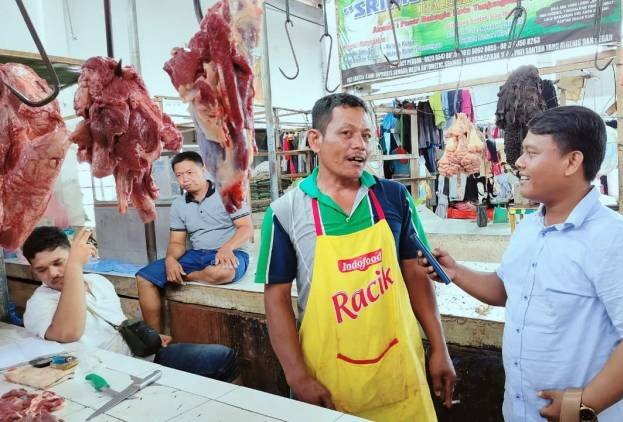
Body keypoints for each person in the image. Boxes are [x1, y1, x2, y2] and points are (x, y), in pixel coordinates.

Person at [419, 106, 623, 422]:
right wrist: (456, 272)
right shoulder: (529, 228)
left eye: (531, 153)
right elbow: (507, 290)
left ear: (572, 161)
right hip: (521, 412)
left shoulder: (617, 241)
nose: (519, 163)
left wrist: (584, 403)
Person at [257, 93, 455, 420]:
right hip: (327, 378)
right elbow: (276, 299)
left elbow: (416, 275)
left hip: (400, 371)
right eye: (346, 133)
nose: (359, 145)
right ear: (315, 140)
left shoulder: (393, 198)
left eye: (365, 135)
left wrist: (439, 347)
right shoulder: (285, 213)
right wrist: (297, 377)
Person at [22, 226, 240, 382]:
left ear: (71, 254)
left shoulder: (98, 282)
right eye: (41, 269)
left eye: (59, 263)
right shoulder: (39, 304)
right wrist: (74, 269)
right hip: (106, 374)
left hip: (143, 356)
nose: (52, 273)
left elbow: (120, 322)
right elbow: (69, 333)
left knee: (223, 357)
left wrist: (148, 337)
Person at [135, 151, 254, 332]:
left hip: (232, 251)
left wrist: (227, 247)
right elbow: (177, 242)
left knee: (221, 273)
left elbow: (246, 228)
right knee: (143, 278)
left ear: (203, 169)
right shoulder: (179, 204)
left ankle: (180, 277)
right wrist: (170, 260)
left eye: (189, 172)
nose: (184, 179)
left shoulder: (228, 193)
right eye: (179, 175)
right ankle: (156, 338)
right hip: (197, 254)